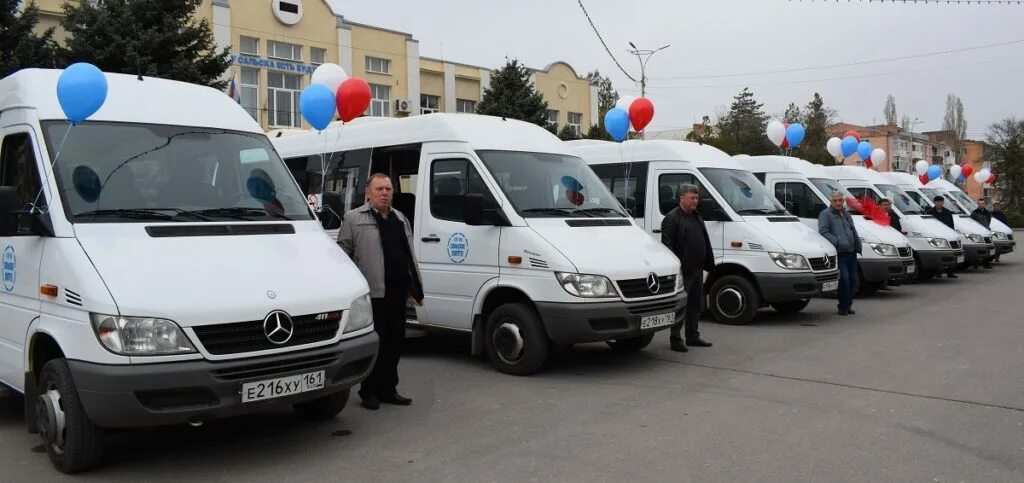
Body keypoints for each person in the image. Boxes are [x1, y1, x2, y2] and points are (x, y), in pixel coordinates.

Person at [338, 173, 424, 410]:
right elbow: (343, 253)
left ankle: (389, 389)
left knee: (395, 343)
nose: (385, 193)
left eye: (388, 189)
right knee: (377, 343)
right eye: (379, 189)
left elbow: (408, 255)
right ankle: (369, 391)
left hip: (397, 292)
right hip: (373, 294)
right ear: (368, 192)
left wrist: (414, 285)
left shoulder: (400, 218)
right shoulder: (354, 218)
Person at [661, 183, 715, 352]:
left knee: (695, 305)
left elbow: (704, 239)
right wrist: (678, 267)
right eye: (692, 198)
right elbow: (667, 246)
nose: (695, 201)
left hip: (698, 269)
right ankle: (676, 339)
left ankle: (693, 336)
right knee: (681, 306)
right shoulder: (672, 218)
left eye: (697, 198)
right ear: (682, 198)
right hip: (684, 271)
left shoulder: (697, 216)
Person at [819, 192, 861, 316]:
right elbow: (823, 231)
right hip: (840, 253)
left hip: (852, 252)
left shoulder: (846, 214)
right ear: (831, 201)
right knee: (845, 280)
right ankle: (842, 307)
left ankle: (848, 305)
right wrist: (837, 242)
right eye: (835, 200)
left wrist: (857, 244)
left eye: (840, 200)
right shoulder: (826, 214)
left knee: (853, 280)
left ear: (843, 201)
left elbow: (852, 230)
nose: (838, 203)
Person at [925, 196, 958, 279]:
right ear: (934, 203)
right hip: (936, 236)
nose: (939, 203)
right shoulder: (930, 213)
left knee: (951, 254)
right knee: (939, 255)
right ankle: (938, 272)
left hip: (947, 235)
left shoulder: (948, 212)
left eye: (940, 202)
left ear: (943, 203)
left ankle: (950, 272)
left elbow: (951, 225)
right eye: (937, 202)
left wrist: (952, 234)